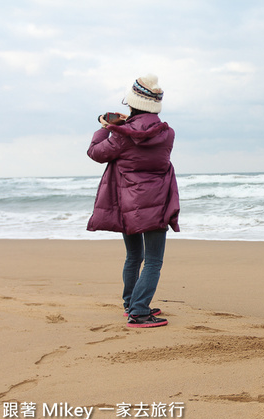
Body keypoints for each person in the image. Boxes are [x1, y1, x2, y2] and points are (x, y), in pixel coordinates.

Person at [87, 74, 179, 328]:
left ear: (131, 103)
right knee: (153, 260)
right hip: (157, 201)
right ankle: (138, 307)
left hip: (127, 204)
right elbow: (146, 141)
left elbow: (96, 153)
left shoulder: (122, 134)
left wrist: (106, 127)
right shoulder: (168, 133)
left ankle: (134, 307)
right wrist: (126, 125)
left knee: (134, 256)